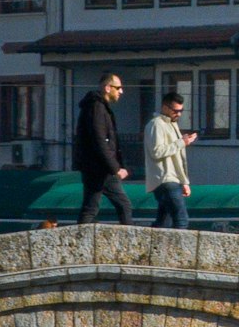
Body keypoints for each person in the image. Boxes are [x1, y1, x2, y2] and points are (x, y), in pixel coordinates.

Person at [74, 72, 133, 225]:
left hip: (97, 168)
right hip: (100, 169)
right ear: (108, 88)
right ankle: (129, 242)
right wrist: (115, 168)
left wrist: (117, 165)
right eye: (118, 88)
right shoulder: (97, 108)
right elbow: (99, 141)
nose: (121, 91)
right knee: (123, 205)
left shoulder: (98, 107)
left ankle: (81, 240)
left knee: (91, 207)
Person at [144, 90, 196, 229]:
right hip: (164, 179)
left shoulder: (172, 125)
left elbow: (178, 159)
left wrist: (184, 182)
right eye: (175, 111)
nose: (178, 114)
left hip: (172, 179)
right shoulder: (156, 125)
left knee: (163, 223)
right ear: (165, 107)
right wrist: (181, 142)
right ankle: (179, 250)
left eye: (181, 111)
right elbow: (157, 151)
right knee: (181, 220)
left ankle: (154, 247)